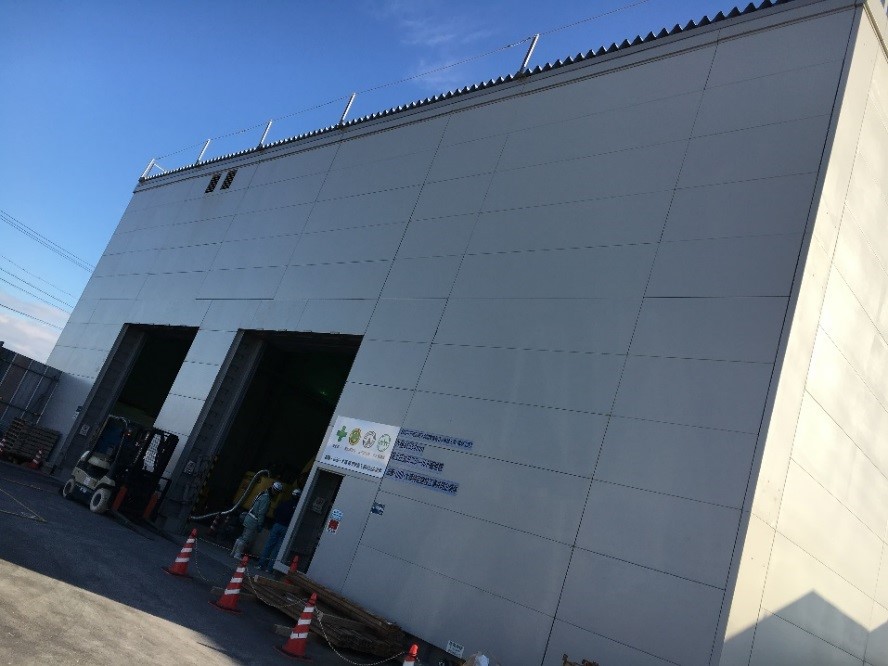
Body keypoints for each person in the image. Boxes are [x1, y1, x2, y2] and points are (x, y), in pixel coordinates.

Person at [231, 480, 282, 559]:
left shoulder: (262, 494)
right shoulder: (266, 498)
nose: (277, 494)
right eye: (277, 492)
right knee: (246, 539)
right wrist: (260, 524)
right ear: (275, 491)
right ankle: (237, 555)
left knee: (242, 536)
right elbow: (261, 513)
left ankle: (233, 552)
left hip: (249, 517)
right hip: (253, 520)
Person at [257, 487, 301, 572]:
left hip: (277, 525)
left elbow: (275, 512)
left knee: (268, 545)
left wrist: (277, 519)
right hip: (287, 528)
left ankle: (261, 564)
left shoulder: (284, 503)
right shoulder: (297, 508)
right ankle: (270, 568)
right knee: (277, 550)